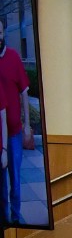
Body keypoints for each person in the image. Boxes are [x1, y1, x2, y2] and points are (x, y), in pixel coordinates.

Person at [0, 16, 29, 220]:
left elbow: (25, 92)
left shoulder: (14, 58)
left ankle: (17, 217)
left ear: (3, 34)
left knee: (16, 180)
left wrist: (27, 123)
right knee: (1, 182)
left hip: (15, 132)